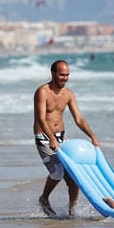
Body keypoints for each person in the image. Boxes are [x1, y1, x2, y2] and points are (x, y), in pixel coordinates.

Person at [33, 59, 101, 217]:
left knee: (73, 175)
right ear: (53, 73)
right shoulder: (42, 91)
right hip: (43, 136)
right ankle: (44, 199)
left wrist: (93, 137)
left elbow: (79, 118)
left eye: (67, 75)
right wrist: (51, 138)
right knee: (57, 172)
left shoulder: (68, 94)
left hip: (61, 137)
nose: (65, 78)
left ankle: (73, 211)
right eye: (61, 75)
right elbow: (41, 119)